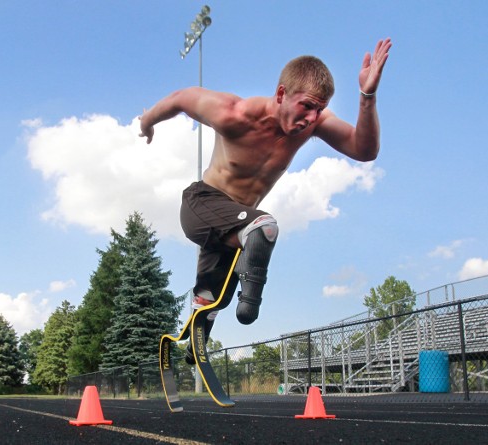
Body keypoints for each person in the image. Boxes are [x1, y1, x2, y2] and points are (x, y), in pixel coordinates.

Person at [140, 38, 392, 363]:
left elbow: (365, 150)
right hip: (202, 205)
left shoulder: (314, 124)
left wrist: (367, 96)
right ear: (281, 94)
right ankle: (251, 301)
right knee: (264, 227)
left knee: (211, 296)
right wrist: (147, 122)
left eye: (319, 110)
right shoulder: (233, 113)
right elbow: (179, 99)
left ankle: (196, 339)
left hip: (233, 229)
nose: (311, 118)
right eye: (306, 106)